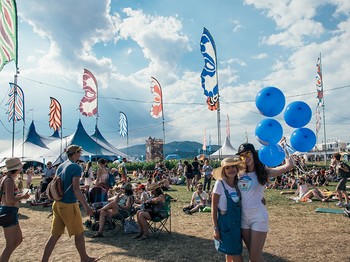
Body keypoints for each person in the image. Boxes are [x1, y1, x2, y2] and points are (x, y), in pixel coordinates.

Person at [237, 143, 293, 262]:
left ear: (254, 154)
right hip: (243, 218)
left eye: (247, 154)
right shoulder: (239, 173)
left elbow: (288, 166)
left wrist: (284, 149)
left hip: (258, 217)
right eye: (242, 156)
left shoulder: (263, 172)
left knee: (255, 257)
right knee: (253, 256)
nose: (245, 158)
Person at [41, 145, 96, 262]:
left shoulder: (61, 165)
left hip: (57, 203)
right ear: (75, 153)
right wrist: (86, 206)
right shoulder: (75, 167)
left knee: (54, 235)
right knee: (79, 234)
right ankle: (84, 258)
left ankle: (44, 260)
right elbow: (75, 188)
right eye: (80, 152)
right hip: (69, 204)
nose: (80, 155)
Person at [211, 157, 245, 262]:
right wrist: (216, 229)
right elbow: (214, 208)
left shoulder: (238, 185)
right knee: (236, 255)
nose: (231, 170)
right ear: (223, 171)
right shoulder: (220, 184)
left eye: (233, 166)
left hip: (237, 225)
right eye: (227, 168)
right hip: (225, 225)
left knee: (229, 255)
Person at [0, 157, 30, 262]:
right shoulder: (9, 180)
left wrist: (18, 195)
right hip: (9, 211)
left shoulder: (6, 178)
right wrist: (23, 197)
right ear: (16, 168)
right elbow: (9, 199)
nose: (22, 168)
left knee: (18, 240)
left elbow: (7, 197)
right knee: (10, 244)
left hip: (10, 211)